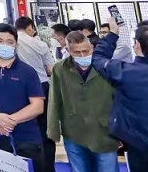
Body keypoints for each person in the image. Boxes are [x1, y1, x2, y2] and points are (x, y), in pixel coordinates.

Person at [0, 23, 45, 172]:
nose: (4, 45)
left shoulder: (28, 71)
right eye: (0, 41)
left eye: (10, 42)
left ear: (16, 44)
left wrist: (8, 122)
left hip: (25, 138)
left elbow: (37, 106)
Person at [47, 31, 118, 172]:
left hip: (104, 131)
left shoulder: (106, 66)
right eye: (77, 52)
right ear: (68, 51)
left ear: (92, 47)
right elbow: (54, 99)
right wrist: (53, 130)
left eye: (86, 51)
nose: (82, 55)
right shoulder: (60, 69)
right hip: (73, 131)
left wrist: (121, 129)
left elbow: (119, 98)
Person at [92, 18, 148, 171]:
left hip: (137, 143)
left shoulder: (124, 72)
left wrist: (112, 34)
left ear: (137, 44)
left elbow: (98, 58)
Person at [14, 16, 55, 172]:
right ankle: (46, 168)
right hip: (41, 86)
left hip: (19, 88)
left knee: (21, 128)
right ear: (30, 27)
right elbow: (50, 69)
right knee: (45, 130)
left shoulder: (13, 43)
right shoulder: (39, 44)